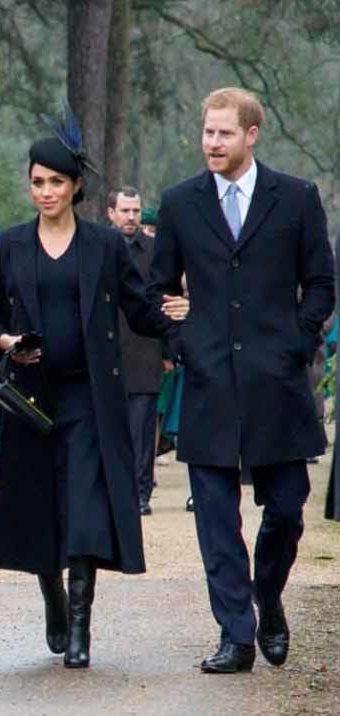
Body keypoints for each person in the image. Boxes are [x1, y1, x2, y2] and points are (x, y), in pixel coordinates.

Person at [0, 117, 188, 669]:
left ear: (75, 187)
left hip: (90, 399)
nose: (46, 192)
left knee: (87, 509)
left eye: (55, 182)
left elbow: (139, 308)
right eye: (37, 182)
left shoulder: (103, 246)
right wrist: (5, 340)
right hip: (30, 401)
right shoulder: (8, 246)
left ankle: (79, 625)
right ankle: (50, 592)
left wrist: (179, 327)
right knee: (40, 507)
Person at [150, 87, 335, 674]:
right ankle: (235, 633)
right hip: (207, 384)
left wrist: (295, 345)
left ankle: (269, 596)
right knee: (213, 514)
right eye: (208, 132)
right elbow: (159, 289)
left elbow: (321, 284)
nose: (212, 142)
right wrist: (184, 345)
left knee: (286, 506)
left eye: (224, 133)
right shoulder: (180, 204)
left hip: (277, 384)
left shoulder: (297, 199)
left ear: (251, 135)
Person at [107, 187, 165, 515]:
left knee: (142, 429)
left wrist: (170, 349)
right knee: (111, 426)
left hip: (144, 350)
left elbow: (164, 299)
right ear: (111, 213)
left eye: (136, 211)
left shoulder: (155, 251)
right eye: (125, 211)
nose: (131, 217)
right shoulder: (97, 248)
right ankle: (115, 491)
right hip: (106, 350)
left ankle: (141, 493)